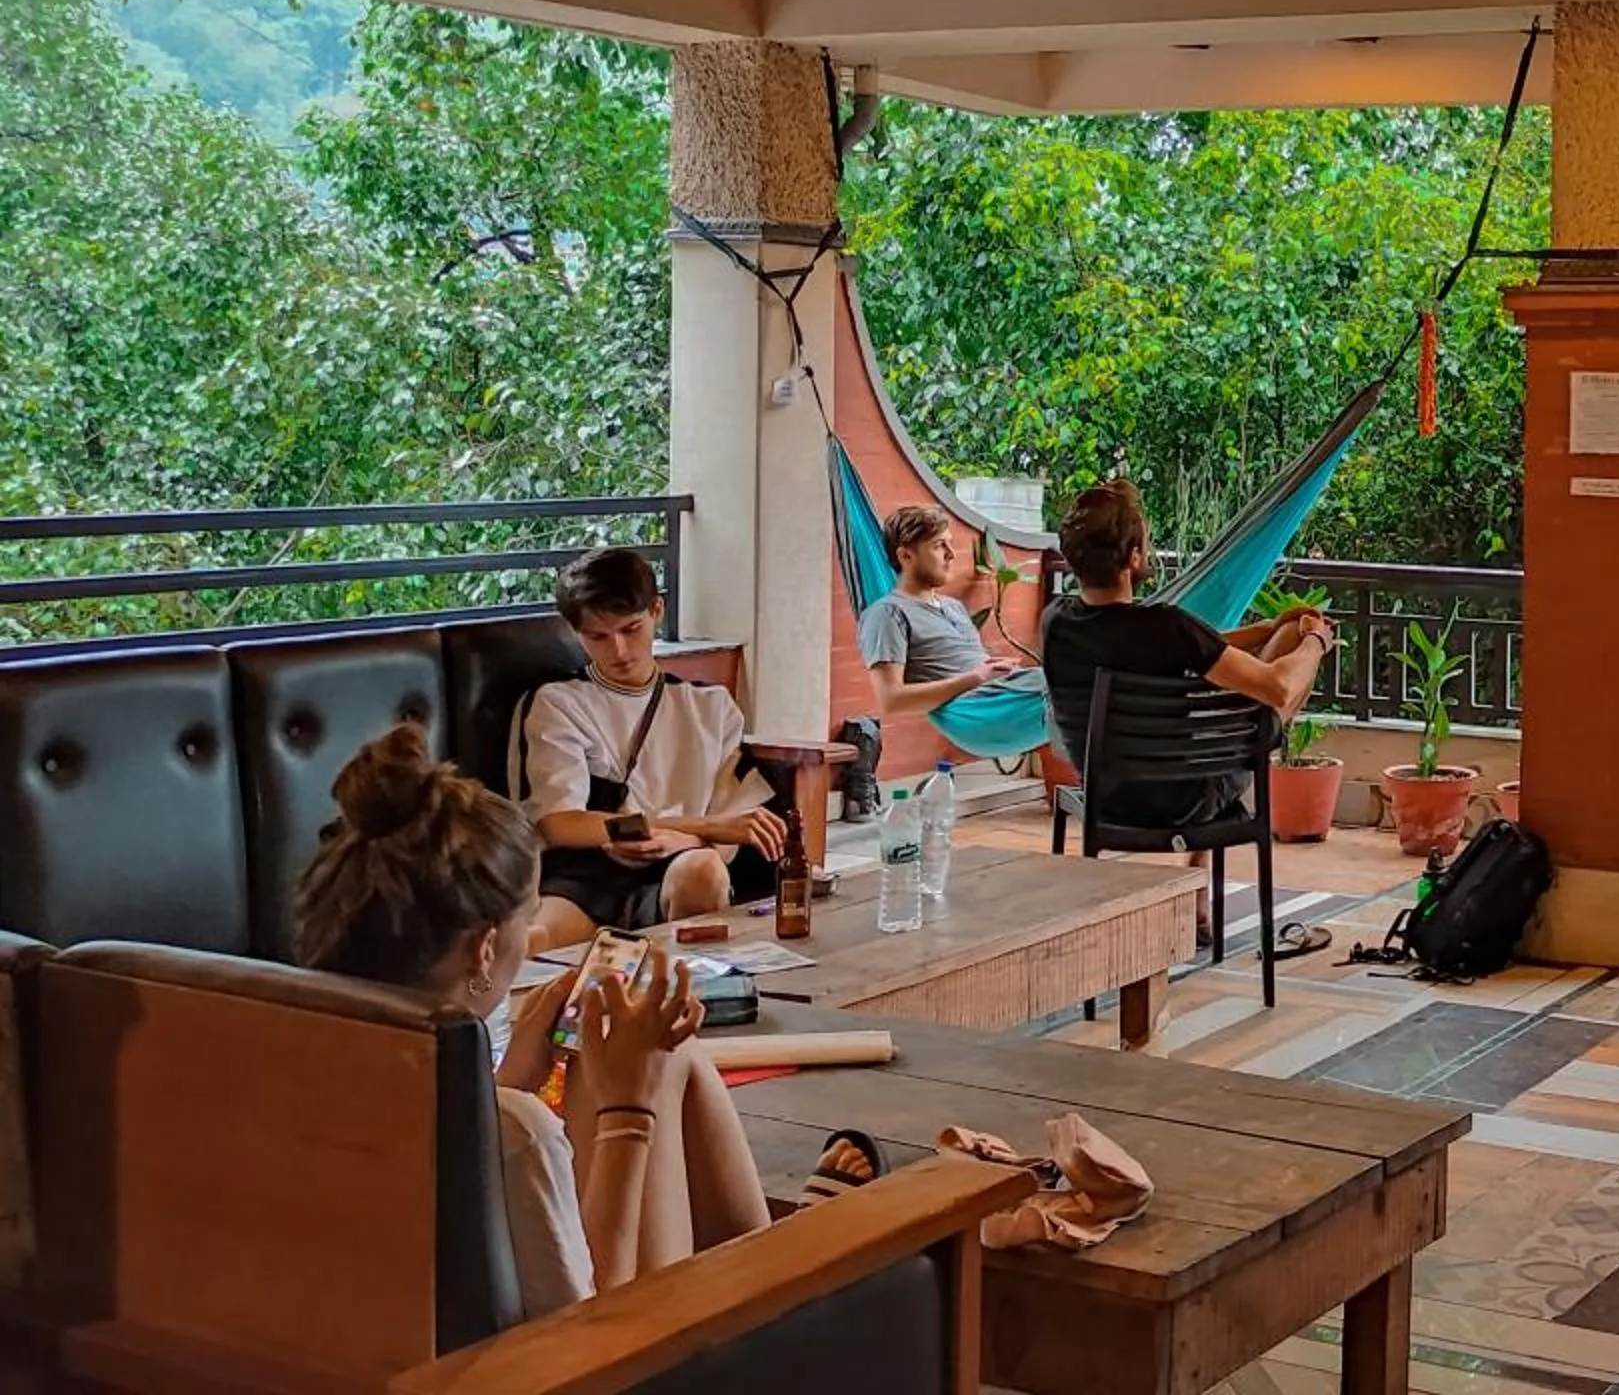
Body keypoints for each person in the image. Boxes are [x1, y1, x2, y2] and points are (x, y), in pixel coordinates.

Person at [289, 724, 877, 1314]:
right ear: (485, 947)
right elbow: (595, 1324)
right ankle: (787, 1293)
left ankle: (776, 1266)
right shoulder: (519, 1131)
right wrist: (629, 1110)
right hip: (564, 1366)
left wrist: (515, 1071)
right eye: (528, 918)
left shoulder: (293, 1070)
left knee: (654, 1057)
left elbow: (452, 1178)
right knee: (659, 1058)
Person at [519, 549, 786, 951]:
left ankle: (691, 1000)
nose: (619, 651)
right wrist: (703, 828)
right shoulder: (560, 702)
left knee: (705, 869)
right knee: (535, 943)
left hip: (681, 861)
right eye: (598, 637)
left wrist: (686, 840)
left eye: (631, 629)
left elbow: (736, 822)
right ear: (575, 632)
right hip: (589, 870)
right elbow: (559, 824)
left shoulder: (710, 707)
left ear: (657, 609)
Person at [1038, 479, 1335, 833]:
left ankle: (1200, 875)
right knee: (1293, 642)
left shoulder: (1056, 622)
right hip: (1187, 801)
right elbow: (1279, 688)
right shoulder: (1164, 626)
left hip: (1106, 798)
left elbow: (1188, 647)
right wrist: (1316, 640)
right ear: (1133, 556)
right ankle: (1201, 869)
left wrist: (1264, 629)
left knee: (1280, 637)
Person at [860, 503, 1022, 719]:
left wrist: (996, 668)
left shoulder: (953, 607)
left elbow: (970, 662)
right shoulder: (888, 613)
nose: (952, 554)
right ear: (905, 556)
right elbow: (892, 700)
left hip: (1011, 692)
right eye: (939, 546)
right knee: (1073, 690)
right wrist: (976, 678)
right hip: (986, 708)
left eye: (950, 544)